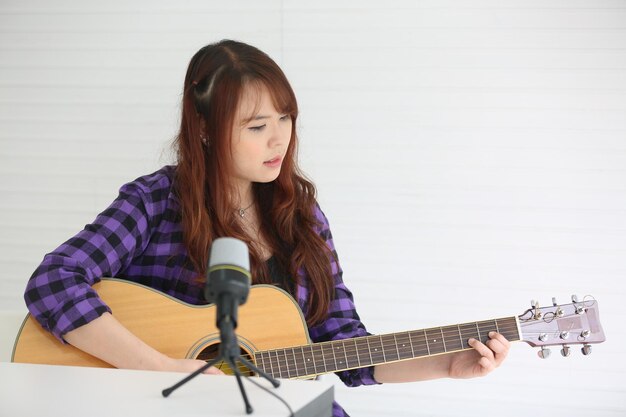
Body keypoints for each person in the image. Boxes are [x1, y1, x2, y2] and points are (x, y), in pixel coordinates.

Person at [24, 39, 510, 417]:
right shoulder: (155, 201)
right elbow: (53, 281)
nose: (279, 138)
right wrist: (166, 370)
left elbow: (345, 347)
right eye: (257, 126)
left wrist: (448, 364)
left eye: (286, 118)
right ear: (205, 129)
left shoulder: (301, 214)